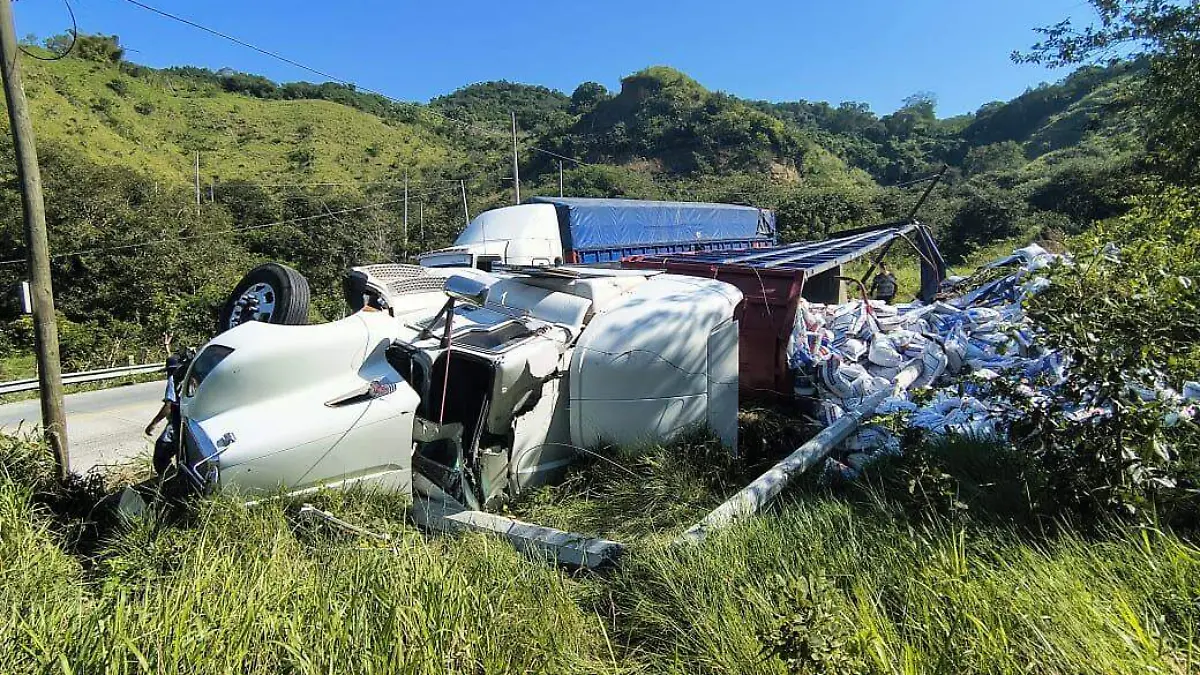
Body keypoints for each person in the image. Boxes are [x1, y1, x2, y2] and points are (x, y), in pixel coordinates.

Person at [145, 356, 182, 475]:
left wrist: (153, 424)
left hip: (176, 422)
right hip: (187, 421)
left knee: (161, 453)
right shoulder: (188, 378)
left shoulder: (173, 379)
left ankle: (170, 480)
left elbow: (169, 405)